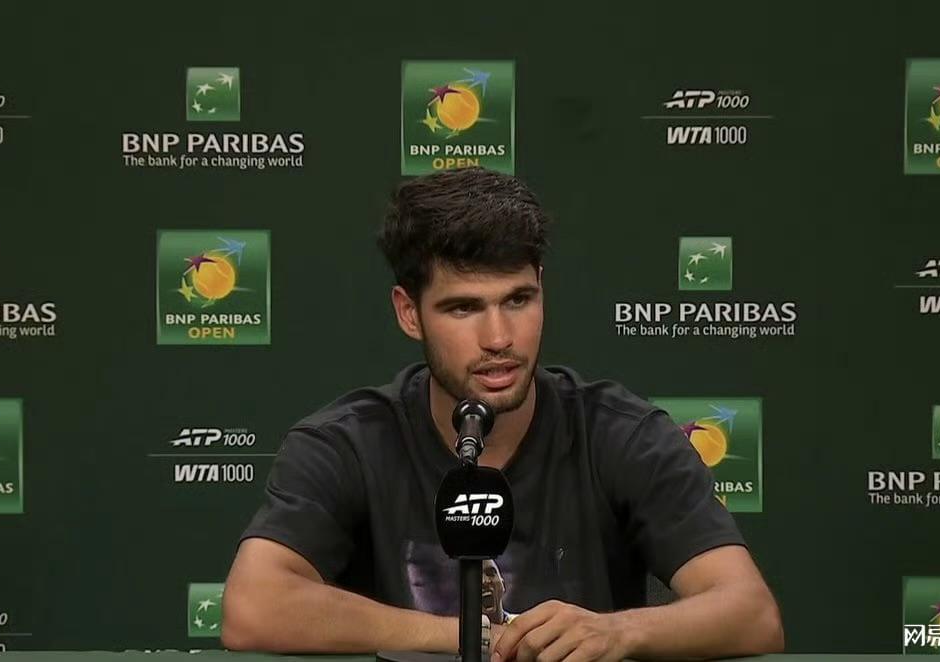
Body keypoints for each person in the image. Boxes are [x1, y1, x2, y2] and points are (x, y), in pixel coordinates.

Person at [221, 167, 784, 661]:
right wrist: (477, 638)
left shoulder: (621, 434)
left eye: (517, 300)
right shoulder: (346, 443)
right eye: (463, 308)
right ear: (409, 313)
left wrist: (615, 632)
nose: (498, 338)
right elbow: (254, 607)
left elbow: (751, 613)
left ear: (542, 289)